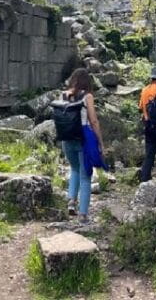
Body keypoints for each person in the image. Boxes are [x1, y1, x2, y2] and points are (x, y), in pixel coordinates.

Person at [60, 67, 104, 224]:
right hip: (83, 138)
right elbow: (93, 121)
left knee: (74, 169)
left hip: (67, 138)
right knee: (86, 176)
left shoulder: (64, 95)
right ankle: (83, 214)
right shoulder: (88, 97)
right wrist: (100, 142)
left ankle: (71, 200)